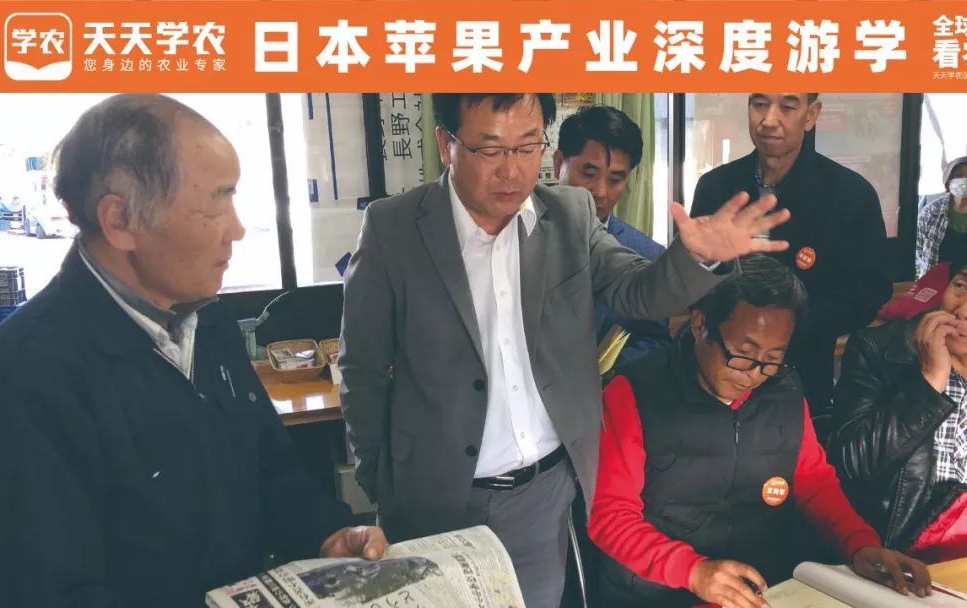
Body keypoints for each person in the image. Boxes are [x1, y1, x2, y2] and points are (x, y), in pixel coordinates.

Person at [339, 92, 791, 607]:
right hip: (433, 499)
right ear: (447, 144)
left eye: (527, 146)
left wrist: (698, 260)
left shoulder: (569, 214)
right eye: (491, 149)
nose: (512, 170)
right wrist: (382, 481)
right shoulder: (395, 228)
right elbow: (361, 369)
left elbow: (638, 290)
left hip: (543, 497)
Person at [0, 94, 386, 608]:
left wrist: (327, 534)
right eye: (215, 204)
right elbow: (45, 593)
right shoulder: (20, 380)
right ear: (120, 221)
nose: (237, 229)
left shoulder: (207, 321)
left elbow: (270, 470)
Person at [589, 255, 928, 608]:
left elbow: (812, 482)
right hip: (658, 593)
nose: (754, 374)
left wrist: (859, 543)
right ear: (700, 324)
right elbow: (609, 513)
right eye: (743, 353)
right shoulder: (637, 392)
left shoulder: (783, 389)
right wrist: (693, 571)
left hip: (764, 589)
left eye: (773, 357)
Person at [830, 234, 967, 552]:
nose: (964, 308)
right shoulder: (879, 351)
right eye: (961, 286)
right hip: (897, 555)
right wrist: (929, 381)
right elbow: (850, 468)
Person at [690, 93, 892, 428]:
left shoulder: (850, 195)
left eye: (787, 107)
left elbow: (869, 292)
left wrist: (787, 327)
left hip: (803, 373)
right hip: (717, 370)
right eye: (759, 104)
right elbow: (694, 278)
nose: (769, 120)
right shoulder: (716, 187)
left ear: (811, 115)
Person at [554, 104, 668, 366]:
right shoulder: (521, 236)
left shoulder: (647, 255)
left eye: (615, 179)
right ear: (559, 163)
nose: (601, 192)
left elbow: (654, 341)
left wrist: (605, 371)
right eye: (588, 174)